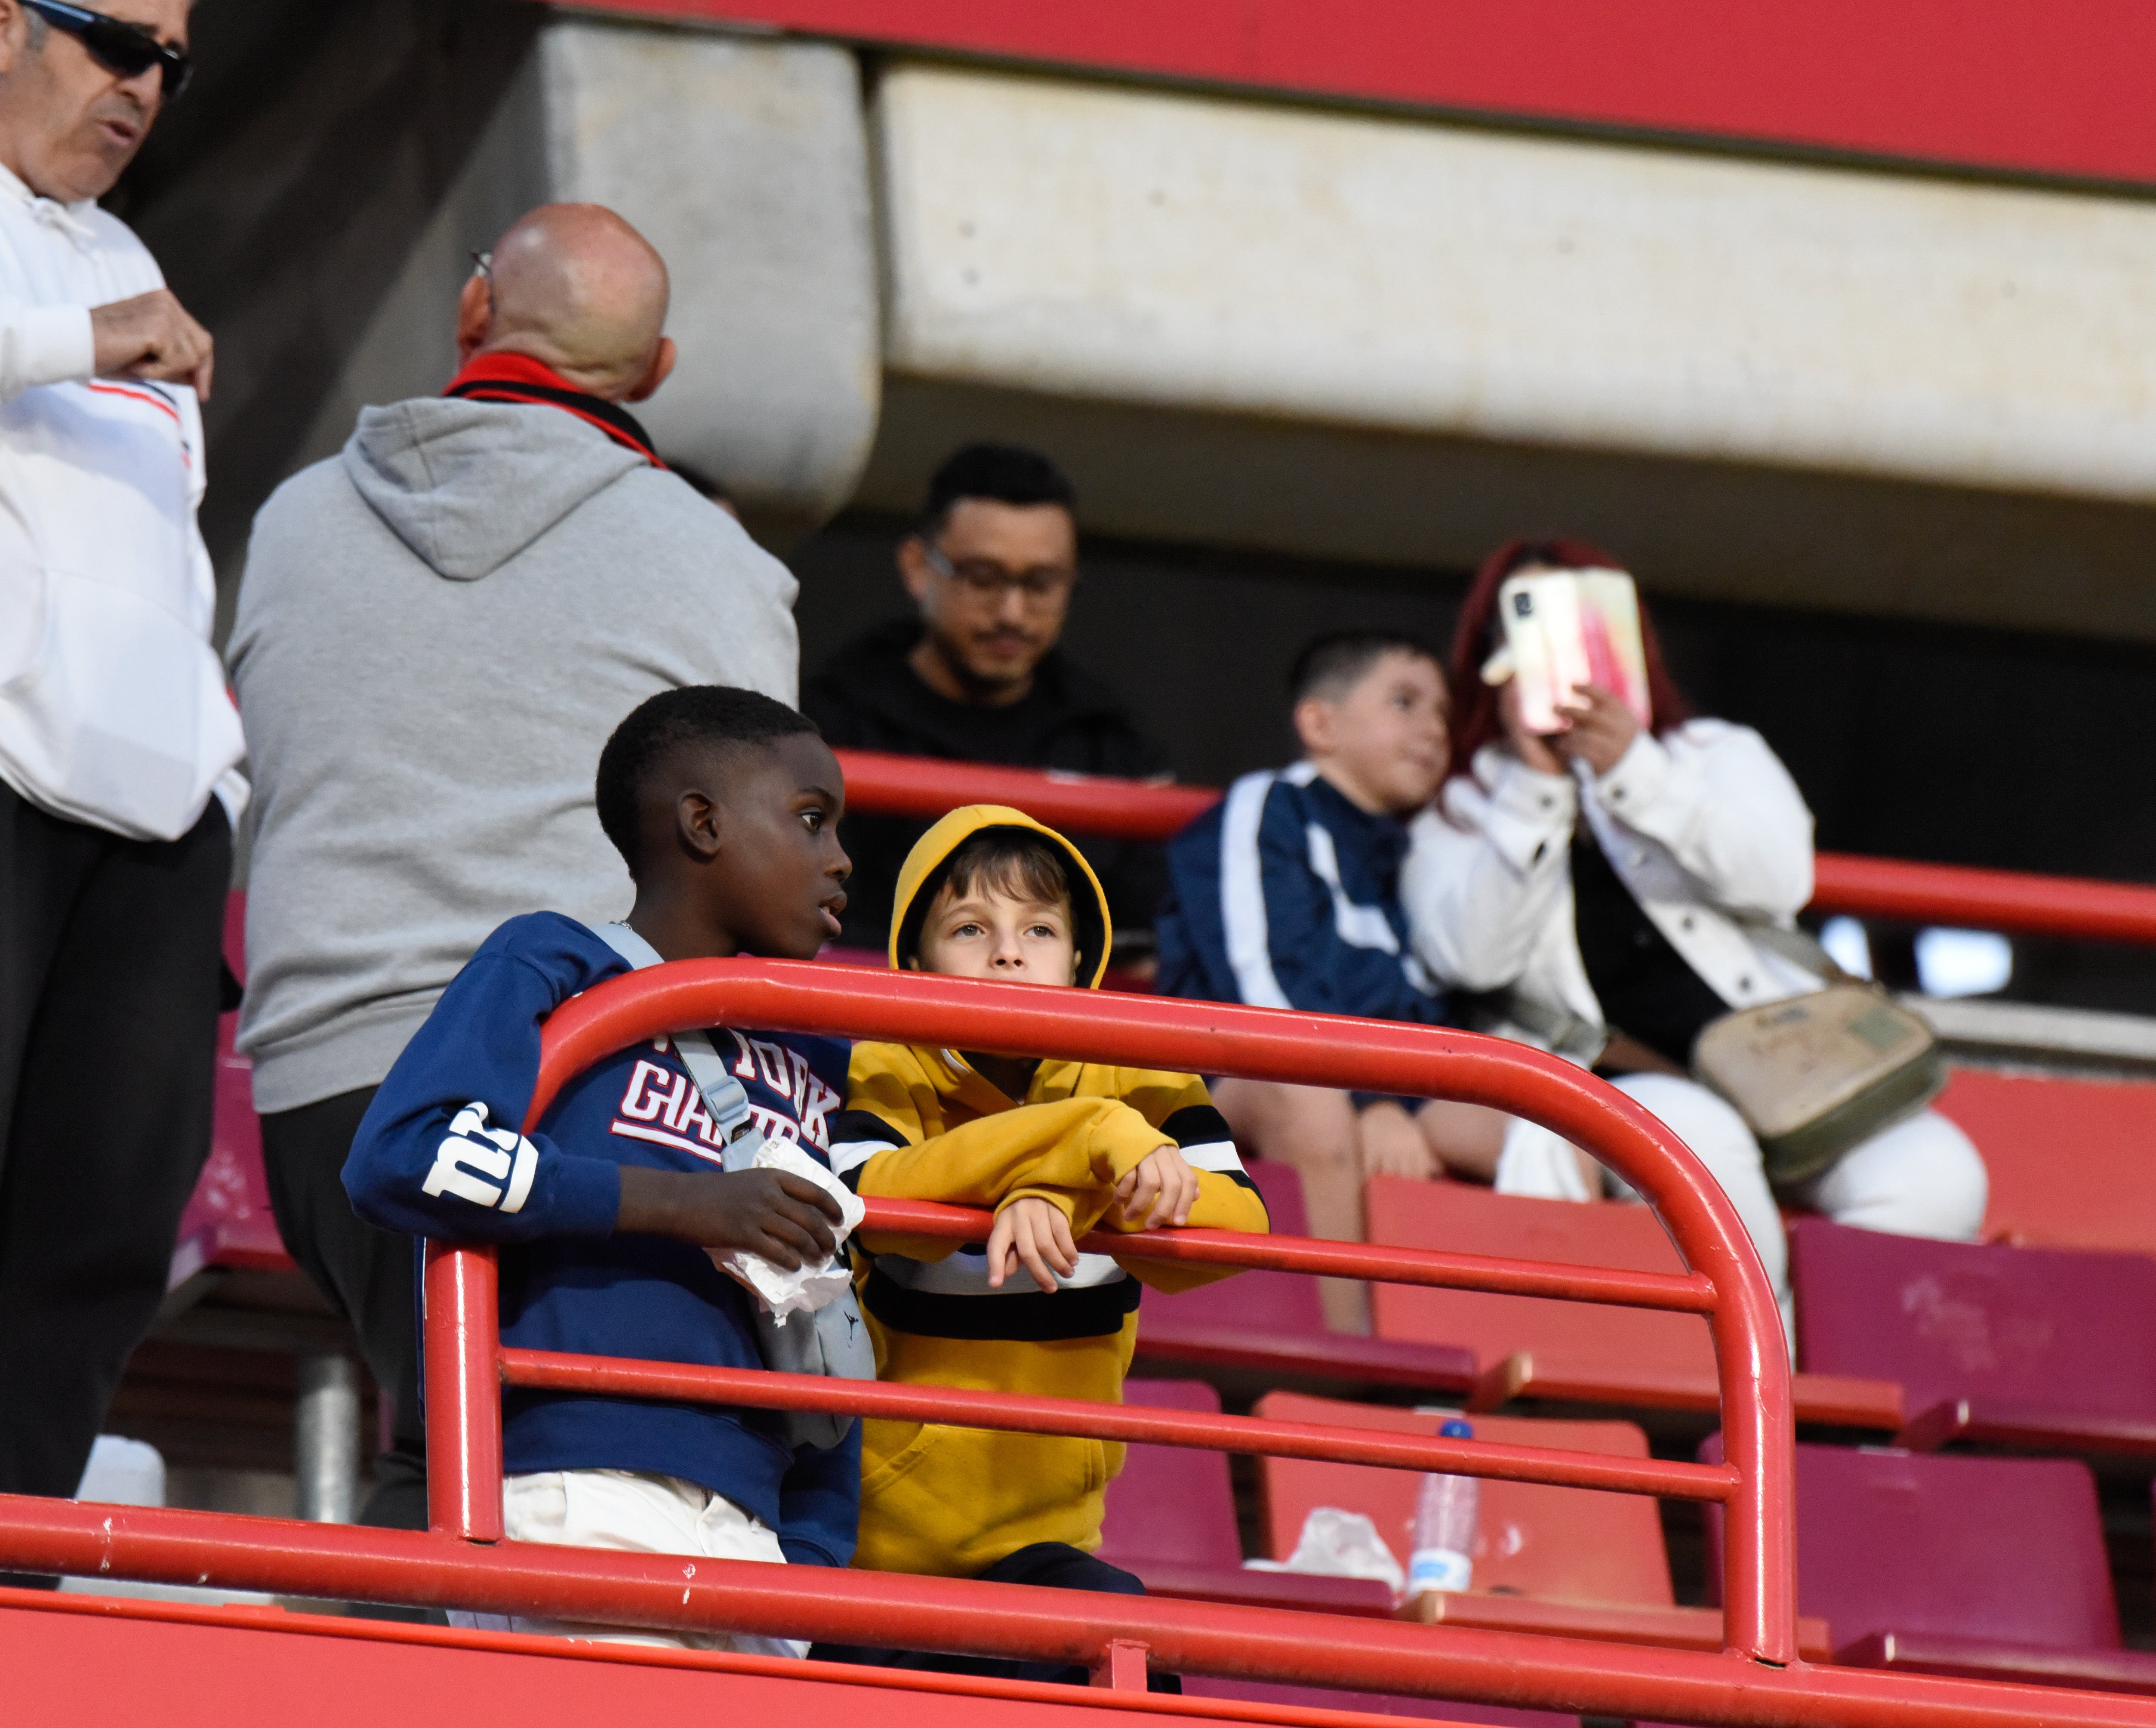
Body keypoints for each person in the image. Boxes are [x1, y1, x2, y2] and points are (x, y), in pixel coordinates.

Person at [226, 202, 800, 1531]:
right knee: (529, 1465)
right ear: (653, 375)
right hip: (567, 1076)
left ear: (475, 314)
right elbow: (751, 860)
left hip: (321, 1081)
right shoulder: (717, 563)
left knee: (450, 1445)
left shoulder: (296, 516)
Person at [0, 0, 241, 1510]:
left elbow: (157, 552)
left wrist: (222, 770)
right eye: (117, 43)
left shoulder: (121, 254)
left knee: (100, 1220)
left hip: (145, 811)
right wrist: (64, 340)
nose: (147, 87)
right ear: (1, 18)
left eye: (173, 64)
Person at [342, 686, 859, 1651]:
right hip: (578, 1490)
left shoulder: (819, 1053)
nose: (840, 860)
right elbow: (404, 1153)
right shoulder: (557, 960)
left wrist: (817, 1551)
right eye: (809, 819)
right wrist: (686, 1204)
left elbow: (832, 1310)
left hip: (760, 1532)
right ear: (701, 823)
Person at [1403, 540, 1985, 1298]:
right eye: (1525, 624)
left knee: (1939, 1178)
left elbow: (1783, 877)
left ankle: (1838, 1382)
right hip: (1615, 1076)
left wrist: (1632, 774)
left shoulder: (1711, 753)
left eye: (1576, 620)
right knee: (1700, 1146)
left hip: (1783, 1058)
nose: (1552, 648)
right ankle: (1766, 1395)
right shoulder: (1464, 807)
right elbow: (1469, 958)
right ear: (1492, 657)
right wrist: (1537, 790)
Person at [814, 807, 1265, 1687]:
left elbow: (1234, 1233)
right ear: (917, 961)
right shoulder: (888, 1060)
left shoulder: (1141, 1068)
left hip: (1047, 1543)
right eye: (970, 928)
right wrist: (1089, 1138)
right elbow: (880, 1204)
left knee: (1135, 1662)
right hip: (877, 1554)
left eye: (1040, 929)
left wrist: (1050, 1186)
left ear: (1080, 957)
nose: (1009, 952)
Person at [1158, 632, 1509, 1330]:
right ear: (1319, 724)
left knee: (1529, 1125)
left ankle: (1520, 1368)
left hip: (1373, 1080)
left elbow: (1430, 1014)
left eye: (1442, 713)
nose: (1433, 730)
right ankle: (1348, 1360)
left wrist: (1392, 1102)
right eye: (1404, 702)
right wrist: (1374, 1097)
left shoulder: (1419, 850)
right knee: (1310, 1101)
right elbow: (1260, 991)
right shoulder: (1271, 805)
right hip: (1231, 1070)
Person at [804, 443, 1166, 960]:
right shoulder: (826, 726)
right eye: (982, 577)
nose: (1012, 612)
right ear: (917, 567)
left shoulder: (1115, 746)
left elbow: (1143, 949)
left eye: (1041, 583)